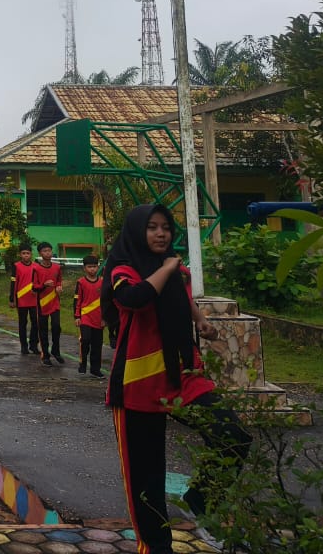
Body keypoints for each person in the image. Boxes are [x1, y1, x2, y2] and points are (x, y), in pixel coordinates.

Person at [103, 204, 251, 554]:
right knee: (147, 478)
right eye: (152, 228)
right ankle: (155, 547)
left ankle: (200, 499)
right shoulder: (124, 269)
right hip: (138, 384)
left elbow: (181, 297)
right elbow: (134, 299)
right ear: (138, 232)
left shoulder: (176, 270)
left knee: (233, 435)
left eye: (166, 228)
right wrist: (167, 268)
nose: (160, 234)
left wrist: (200, 321)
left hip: (183, 375)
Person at [74, 253, 106, 377]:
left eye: (94, 266)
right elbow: (77, 300)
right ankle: (83, 363)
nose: (92, 269)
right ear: (84, 268)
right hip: (85, 317)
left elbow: (105, 301)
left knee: (97, 345)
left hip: (98, 318)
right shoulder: (81, 282)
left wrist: (104, 318)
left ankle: (95, 369)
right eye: (89, 267)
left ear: (98, 267)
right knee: (85, 339)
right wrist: (77, 316)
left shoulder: (102, 283)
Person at [34, 241, 64, 366]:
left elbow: (59, 281)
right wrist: (43, 285)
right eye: (45, 251)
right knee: (43, 330)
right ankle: (45, 354)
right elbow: (34, 287)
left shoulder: (57, 267)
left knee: (56, 327)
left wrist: (59, 287)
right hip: (42, 303)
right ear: (40, 253)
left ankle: (56, 351)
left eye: (49, 250)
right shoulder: (36, 268)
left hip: (55, 302)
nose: (48, 253)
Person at [9, 242, 40, 356]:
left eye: (28, 253)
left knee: (36, 323)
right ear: (20, 254)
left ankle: (33, 345)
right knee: (23, 323)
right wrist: (12, 299)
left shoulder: (36, 266)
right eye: (23, 253)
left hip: (34, 299)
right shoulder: (16, 266)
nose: (26, 255)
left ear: (31, 254)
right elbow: (13, 283)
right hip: (21, 299)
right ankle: (23, 346)